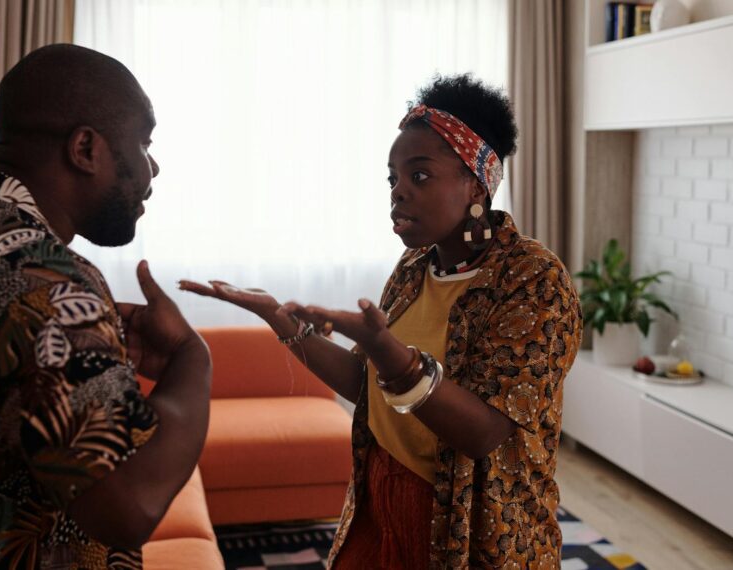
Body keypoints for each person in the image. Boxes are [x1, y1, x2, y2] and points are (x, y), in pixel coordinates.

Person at [181, 74, 582, 568]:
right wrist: (279, 320)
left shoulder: (534, 280)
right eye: (391, 178)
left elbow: (483, 434)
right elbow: (365, 383)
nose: (397, 193)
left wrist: (391, 355)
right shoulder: (415, 268)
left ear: (476, 185)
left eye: (419, 175)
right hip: (380, 498)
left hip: (476, 527)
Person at [0, 44, 212, 569]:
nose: (154, 167)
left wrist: (82, 352)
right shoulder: (50, 280)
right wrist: (192, 358)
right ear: (85, 148)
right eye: (144, 143)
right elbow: (129, 505)